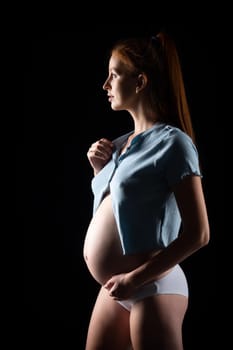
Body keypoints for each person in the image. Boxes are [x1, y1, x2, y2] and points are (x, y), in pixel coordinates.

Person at [83, 31, 210, 350]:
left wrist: (134, 279)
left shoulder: (174, 143)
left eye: (114, 74)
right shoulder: (123, 144)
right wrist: (101, 172)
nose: (106, 85)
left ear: (140, 82)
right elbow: (120, 217)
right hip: (118, 286)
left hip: (152, 284)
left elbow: (199, 233)